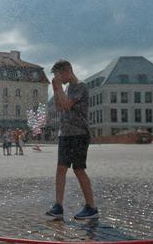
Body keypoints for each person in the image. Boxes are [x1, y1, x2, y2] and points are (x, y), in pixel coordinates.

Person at [45, 60, 98, 220]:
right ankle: (58, 206)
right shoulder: (66, 88)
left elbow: (67, 105)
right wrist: (56, 89)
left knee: (78, 169)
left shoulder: (80, 86)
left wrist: (59, 88)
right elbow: (59, 107)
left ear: (67, 71)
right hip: (65, 133)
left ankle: (91, 207)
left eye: (58, 75)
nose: (57, 78)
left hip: (79, 133)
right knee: (61, 168)